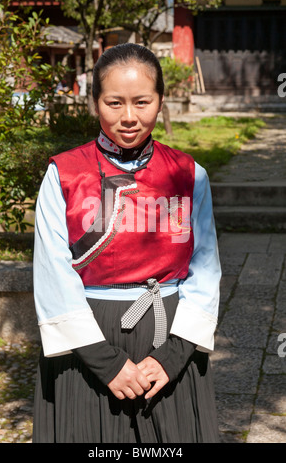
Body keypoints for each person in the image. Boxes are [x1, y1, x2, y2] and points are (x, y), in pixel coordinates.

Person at [32, 43, 221, 443]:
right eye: (114, 103)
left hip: (169, 334)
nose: (129, 117)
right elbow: (53, 272)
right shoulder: (63, 175)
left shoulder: (189, 175)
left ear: (160, 101)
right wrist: (105, 363)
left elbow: (206, 271)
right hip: (88, 338)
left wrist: (172, 357)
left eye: (142, 102)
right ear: (95, 102)